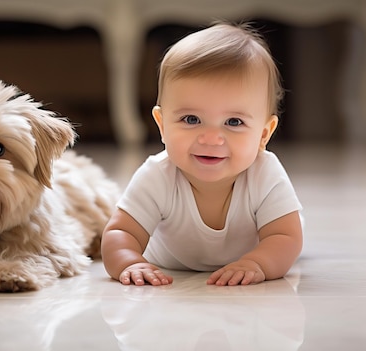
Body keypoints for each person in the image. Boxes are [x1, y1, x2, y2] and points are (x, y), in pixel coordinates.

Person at [101, 22, 303, 286]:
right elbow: (120, 232)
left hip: (252, 253)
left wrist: (258, 263)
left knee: (287, 230)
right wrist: (129, 261)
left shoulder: (265, 174)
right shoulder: (158, 175)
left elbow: (286, 238)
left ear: (264, 135)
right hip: (169, 263)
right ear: (162, 125)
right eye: (191, 119)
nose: (210, 138)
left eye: (234, 122)